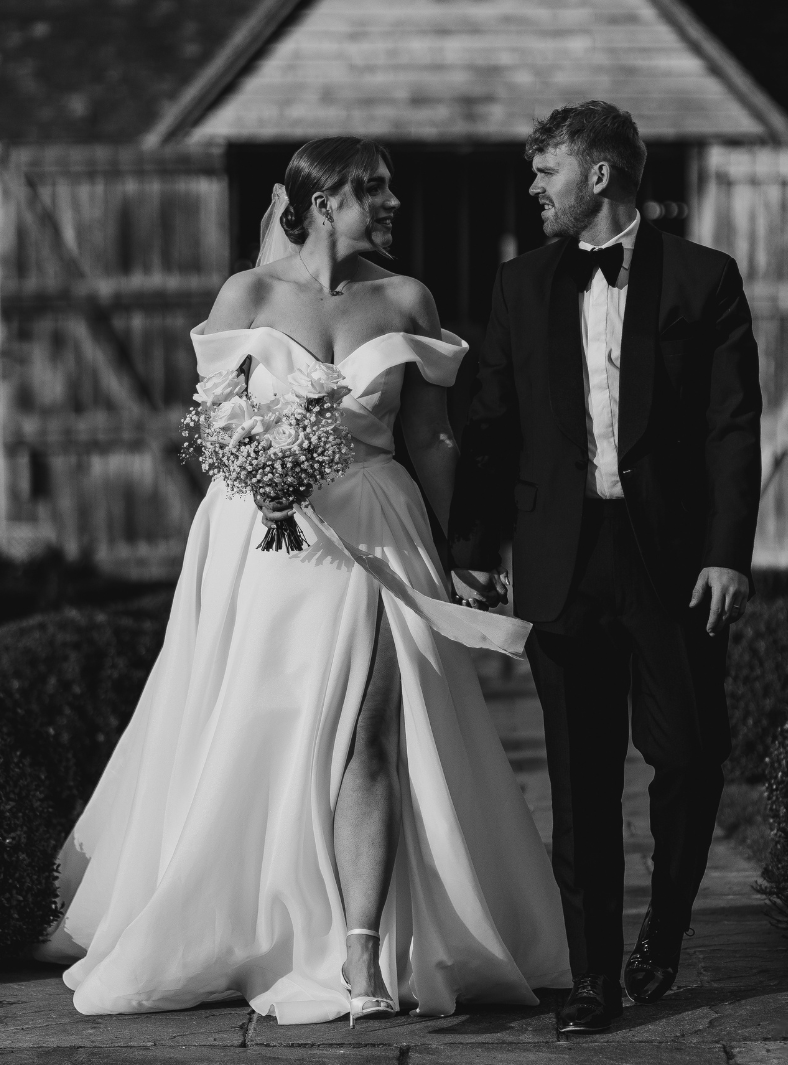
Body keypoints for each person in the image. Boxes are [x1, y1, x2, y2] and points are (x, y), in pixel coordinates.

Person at [34, 136, 570, 1024]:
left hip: (380, 537)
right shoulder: (246, 297)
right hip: (266, 544)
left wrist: (452, 552)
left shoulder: (407, 298)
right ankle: (251, 917)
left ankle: (362, 957)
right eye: (375, 190)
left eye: (392, 189)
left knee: (375, 728)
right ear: (322, 203)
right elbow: (214, 424)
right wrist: (259, 466)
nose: (394, 204)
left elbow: (432, 438)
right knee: (261, 732)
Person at [449, 101, 762, 1034]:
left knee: (692, 758)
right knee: (580, 786)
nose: (535, 188)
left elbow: (731, 426)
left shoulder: (706, 279)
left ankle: (663, 932)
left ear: (599, 176)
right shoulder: (519, 284)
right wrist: (471, 548)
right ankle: (595, 983)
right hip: (561, 560)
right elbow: (492, 423)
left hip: (672, 562)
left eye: (548, 171)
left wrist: (728, 553)